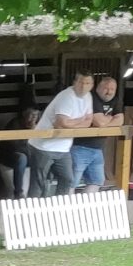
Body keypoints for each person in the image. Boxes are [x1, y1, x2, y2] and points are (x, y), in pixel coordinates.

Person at [31, 65, 96, 198]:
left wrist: (72, 123)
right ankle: (31, 212)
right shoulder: (67, 96)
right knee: (38, 183)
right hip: (43, 146)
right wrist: (80, 120)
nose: (84, 86)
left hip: (64, 147)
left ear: (92, 85)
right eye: (81, 82)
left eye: (87, 83)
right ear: (75, 82)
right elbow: (61, 123)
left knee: (67, 179)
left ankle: (58, 207)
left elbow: (88, 122)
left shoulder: (88, 97)